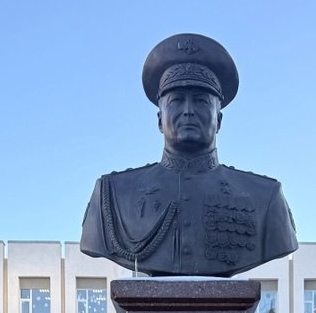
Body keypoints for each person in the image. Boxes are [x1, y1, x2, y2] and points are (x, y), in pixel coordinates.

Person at [79, 33, 297, 277]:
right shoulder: (112, 194)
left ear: (220, 120)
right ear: (160, 119)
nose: (189, 111)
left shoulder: (265, 197)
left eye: (202, 101)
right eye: (176, 100)